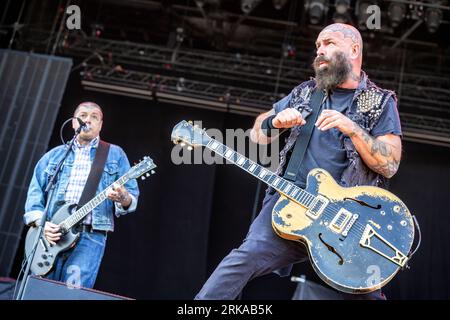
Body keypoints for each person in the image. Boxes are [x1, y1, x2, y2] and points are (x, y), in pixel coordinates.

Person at [195, 23, 402, 300]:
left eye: (328, 43)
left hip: (347, 218)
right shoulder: (306, 92)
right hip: (290, 203)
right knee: (243, 259)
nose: (320, 51)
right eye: (318, 46)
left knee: (366, 294)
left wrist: (353, 129)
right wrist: (274, 121)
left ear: (354, 50)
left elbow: (390, 163)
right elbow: (258, 133)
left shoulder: (377, 101)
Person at [23, 102, 139, 288]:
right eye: (83, 115)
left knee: (72, 293)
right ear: (74, 123)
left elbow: (131, 198)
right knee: (40, 291)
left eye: (94, 117)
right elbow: (34, 196)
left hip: (90, 236)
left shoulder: (114, 154)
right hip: (50, 238)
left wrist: (123, 197)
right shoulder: (54, 156)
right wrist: (42, 224)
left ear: (100, 124)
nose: (88, 119)